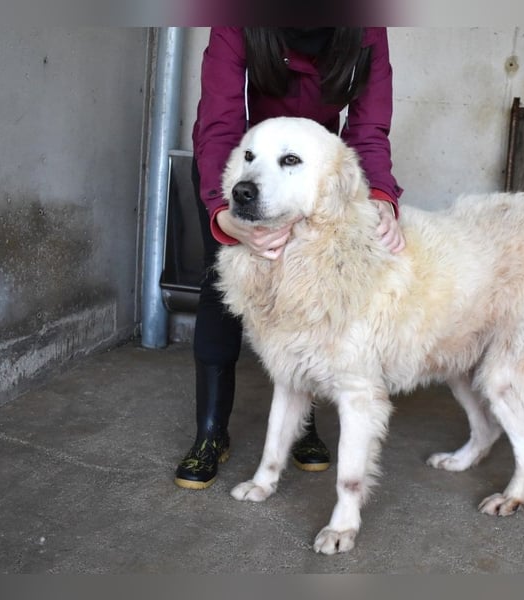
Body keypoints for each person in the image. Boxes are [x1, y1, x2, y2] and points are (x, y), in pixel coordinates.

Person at [174, 27, 405, 490]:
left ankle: (304, 428)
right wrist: (225, 216)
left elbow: (367, 126)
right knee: (222, 292)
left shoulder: (366, 29)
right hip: (241, 168)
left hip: (307, 172)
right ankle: (210, 433)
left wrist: (380, 196)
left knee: (316, 295)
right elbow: (220, 124)